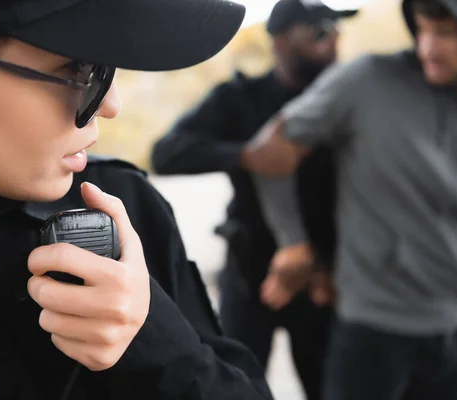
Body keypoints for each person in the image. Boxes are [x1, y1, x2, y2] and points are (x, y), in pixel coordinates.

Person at [0, 0, 277, 399]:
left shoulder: (120, 204)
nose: (110, 106)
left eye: (107, 68)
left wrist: (156, 345)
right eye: (79, 70)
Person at [246, 0, 457, 399]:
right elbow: (270, 148)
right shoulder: (369, 80)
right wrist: (294, 242)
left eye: (444, 34)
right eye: (422, 29)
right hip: (373, 330)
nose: (427, 47)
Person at [151, 1, 356, 398]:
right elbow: (167, 152)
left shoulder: (345, 104)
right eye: (317, 30)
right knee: (233, 382)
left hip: (322, 276)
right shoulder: (239, 97)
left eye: (335, 28)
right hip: (251, 271)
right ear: (280, 41)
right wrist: (245, 155)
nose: (331, 38)